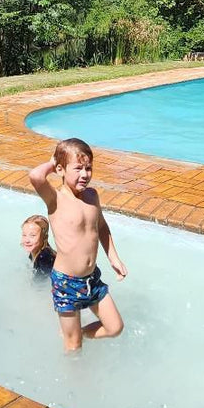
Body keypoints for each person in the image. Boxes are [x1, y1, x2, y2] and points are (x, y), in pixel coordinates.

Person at [28, 138, 128, 352]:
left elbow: (101, 226)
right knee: (73, 347)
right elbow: (35, 176)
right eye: (78, 168)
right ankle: (74, 370)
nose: (85, 174)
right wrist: (53, 161)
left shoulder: (92, 196)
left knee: (115, 327)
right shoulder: (55, 199)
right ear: (61, 169)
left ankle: (77, 333)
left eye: (89, 168)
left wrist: (113, 257)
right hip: (67, 283)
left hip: (92, 279)